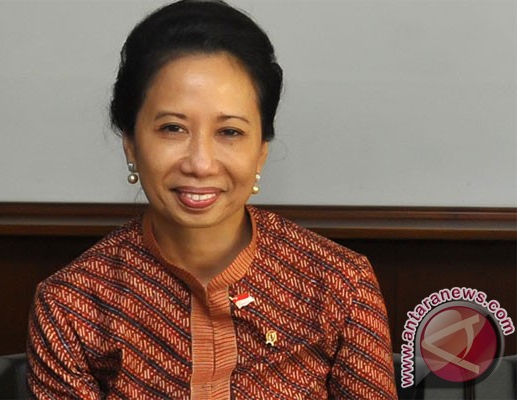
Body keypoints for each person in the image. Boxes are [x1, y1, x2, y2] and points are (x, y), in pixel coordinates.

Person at [26, 1, 397, 398]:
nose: (200, 164)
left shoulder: (340, 285)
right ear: (131, 144)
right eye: (173, 128)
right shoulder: (71, 305)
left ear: (261, 151)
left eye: (229, 132)